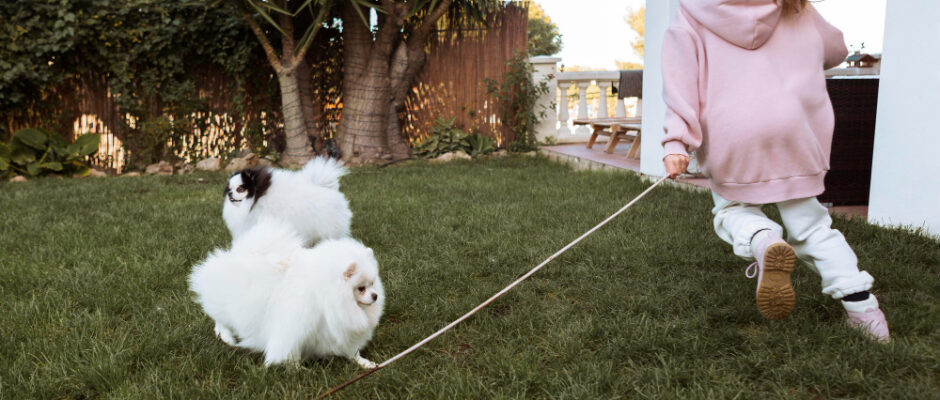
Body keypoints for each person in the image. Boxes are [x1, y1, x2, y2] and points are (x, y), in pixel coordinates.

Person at [660, 0, 889, 341]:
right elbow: (837, 50)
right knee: (812, 226)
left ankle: (762, 239)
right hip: (794, 130)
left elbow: (680, 82)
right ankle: (864, 310)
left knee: (733, 210)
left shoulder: (692, 12)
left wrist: (676, 144)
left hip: (733, 135)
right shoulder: (794, 7)